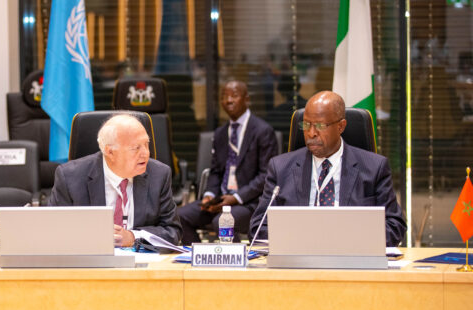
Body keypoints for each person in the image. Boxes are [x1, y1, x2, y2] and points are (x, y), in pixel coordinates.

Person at [249, 91, 406, 246]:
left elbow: (395, 226)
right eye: (306, 125)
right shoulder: (280, 168)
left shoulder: (374, 167)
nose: (311, 133)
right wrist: (307, 241)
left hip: (351, 257)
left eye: (320, 126)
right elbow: (258, 228)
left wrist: (341, 241)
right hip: (298, 257)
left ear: (341, 126)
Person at [47, 114, 182, 246]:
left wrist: (133, 237)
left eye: (146, 144)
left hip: (142, 258)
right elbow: (53, 230)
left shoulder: (159, 174)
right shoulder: (70, 177)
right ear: (110, 152)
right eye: (136, 148)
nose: (146, 153)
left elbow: (172, 231)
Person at [177, 80, 278, 244]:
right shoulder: (220, 134)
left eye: (234, 95)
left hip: (249, 202)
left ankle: (236, 259)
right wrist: (209, 196)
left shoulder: (263, 131)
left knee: (222, 222)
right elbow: (215, 172)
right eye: (224, 96)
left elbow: (265, 175)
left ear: (247, 99)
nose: (228, 100)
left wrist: (236, 197)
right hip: (220, 200)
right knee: (180, 216)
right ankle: (198, 256)